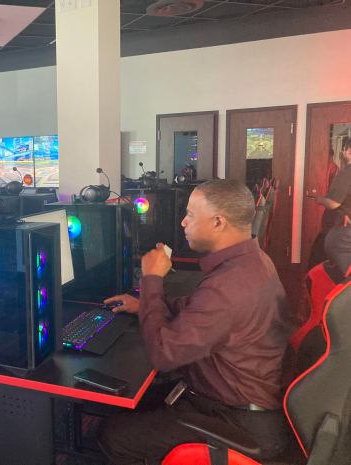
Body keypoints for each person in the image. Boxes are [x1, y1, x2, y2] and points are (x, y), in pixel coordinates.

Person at [98, 179, 291, 465]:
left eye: (190, 214)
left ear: (217, 222)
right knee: (141, 400)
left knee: (114, 435)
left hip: (237, 419)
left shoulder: (229, 285)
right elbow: (200, 308)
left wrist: (152, 280)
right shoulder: (251, 261)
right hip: (241, 400)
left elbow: (164, 355)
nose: (183, 222)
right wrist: (144, 305)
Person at [309, 137, 351, 280]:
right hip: (344, 228)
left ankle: (318, 298)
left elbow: (334, 203)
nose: (342, 152)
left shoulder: (346, 173)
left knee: (317, 264)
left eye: (344, 149)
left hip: (339, 229)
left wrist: (320, 199)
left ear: (348, 151)